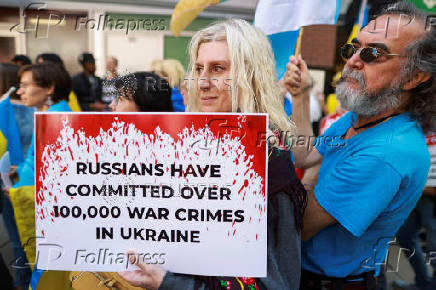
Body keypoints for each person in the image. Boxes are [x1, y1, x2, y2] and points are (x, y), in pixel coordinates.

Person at [117, 19, 307, 290]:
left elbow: (274, 283)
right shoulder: (185, 145)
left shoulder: (265, 159)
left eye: (218, 69)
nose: (202, 82)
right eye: (197, 68)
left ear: (250, 76)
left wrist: (168, 282)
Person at [284, 2, 435, 289]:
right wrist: (301, 96)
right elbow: (305, 155)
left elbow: (300, 225)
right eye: (352, 48)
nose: (353, 60)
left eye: (373, 53)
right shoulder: (360, 118)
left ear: (415, 76)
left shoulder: (388, 151)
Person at [8, 63, 73, 290]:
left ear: (49, 88)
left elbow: (59, 175)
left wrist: (22, 190)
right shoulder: (51, 115)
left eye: (25, 85)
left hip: (45, 214)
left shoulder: (55, 119)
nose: (19, 91)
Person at [0, 63, 33, 290]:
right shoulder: (38, 109)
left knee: (16, 237)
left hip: (8, 178)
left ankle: (22, 283)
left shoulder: (3, 108)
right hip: (32, 180)